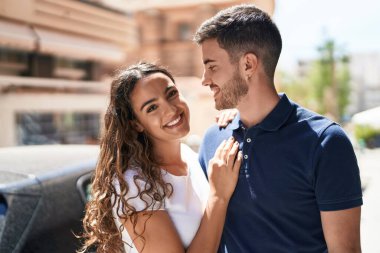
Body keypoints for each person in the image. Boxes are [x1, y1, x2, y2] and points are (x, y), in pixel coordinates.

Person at [194, 4, 362, 253]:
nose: (205, 79)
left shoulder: (325, 142)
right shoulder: (212, 139)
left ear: (248, 64)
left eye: (212, 66)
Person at [79, 62, 242, 253]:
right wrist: (218, 197)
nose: (171, 109)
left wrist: (237, 119)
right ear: (136, 124)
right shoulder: (134, 184)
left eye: (171, 94)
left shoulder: (189, 156)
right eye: (152, 107)